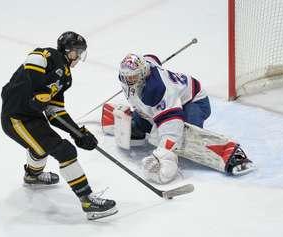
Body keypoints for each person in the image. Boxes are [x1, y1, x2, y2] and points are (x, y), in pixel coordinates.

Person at [0, 31, 117, 220]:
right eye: (76, 52)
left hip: (32, 117)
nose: (78, 57)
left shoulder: (66, 78)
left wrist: (78, 133)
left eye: (81, 53)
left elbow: (56, 113)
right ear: (66, 50)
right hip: (15, 117)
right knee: (65, 151)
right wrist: (36, 92)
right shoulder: (48, 56)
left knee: (41, 149)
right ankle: (87, 201)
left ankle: (32, 176)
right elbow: (33, 60)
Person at [102, 53, 254, 184]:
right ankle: (140, 128)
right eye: (125, 76)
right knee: (146, 120)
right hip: (164, 101)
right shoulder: (143, 68)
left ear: (143, 74)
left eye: (132, 77)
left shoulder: (158, 90)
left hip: (194, 102)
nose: (127, 80)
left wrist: (163, 153)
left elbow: (172, 126)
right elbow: (151, 58)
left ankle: (231, 154)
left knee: (184, 137)